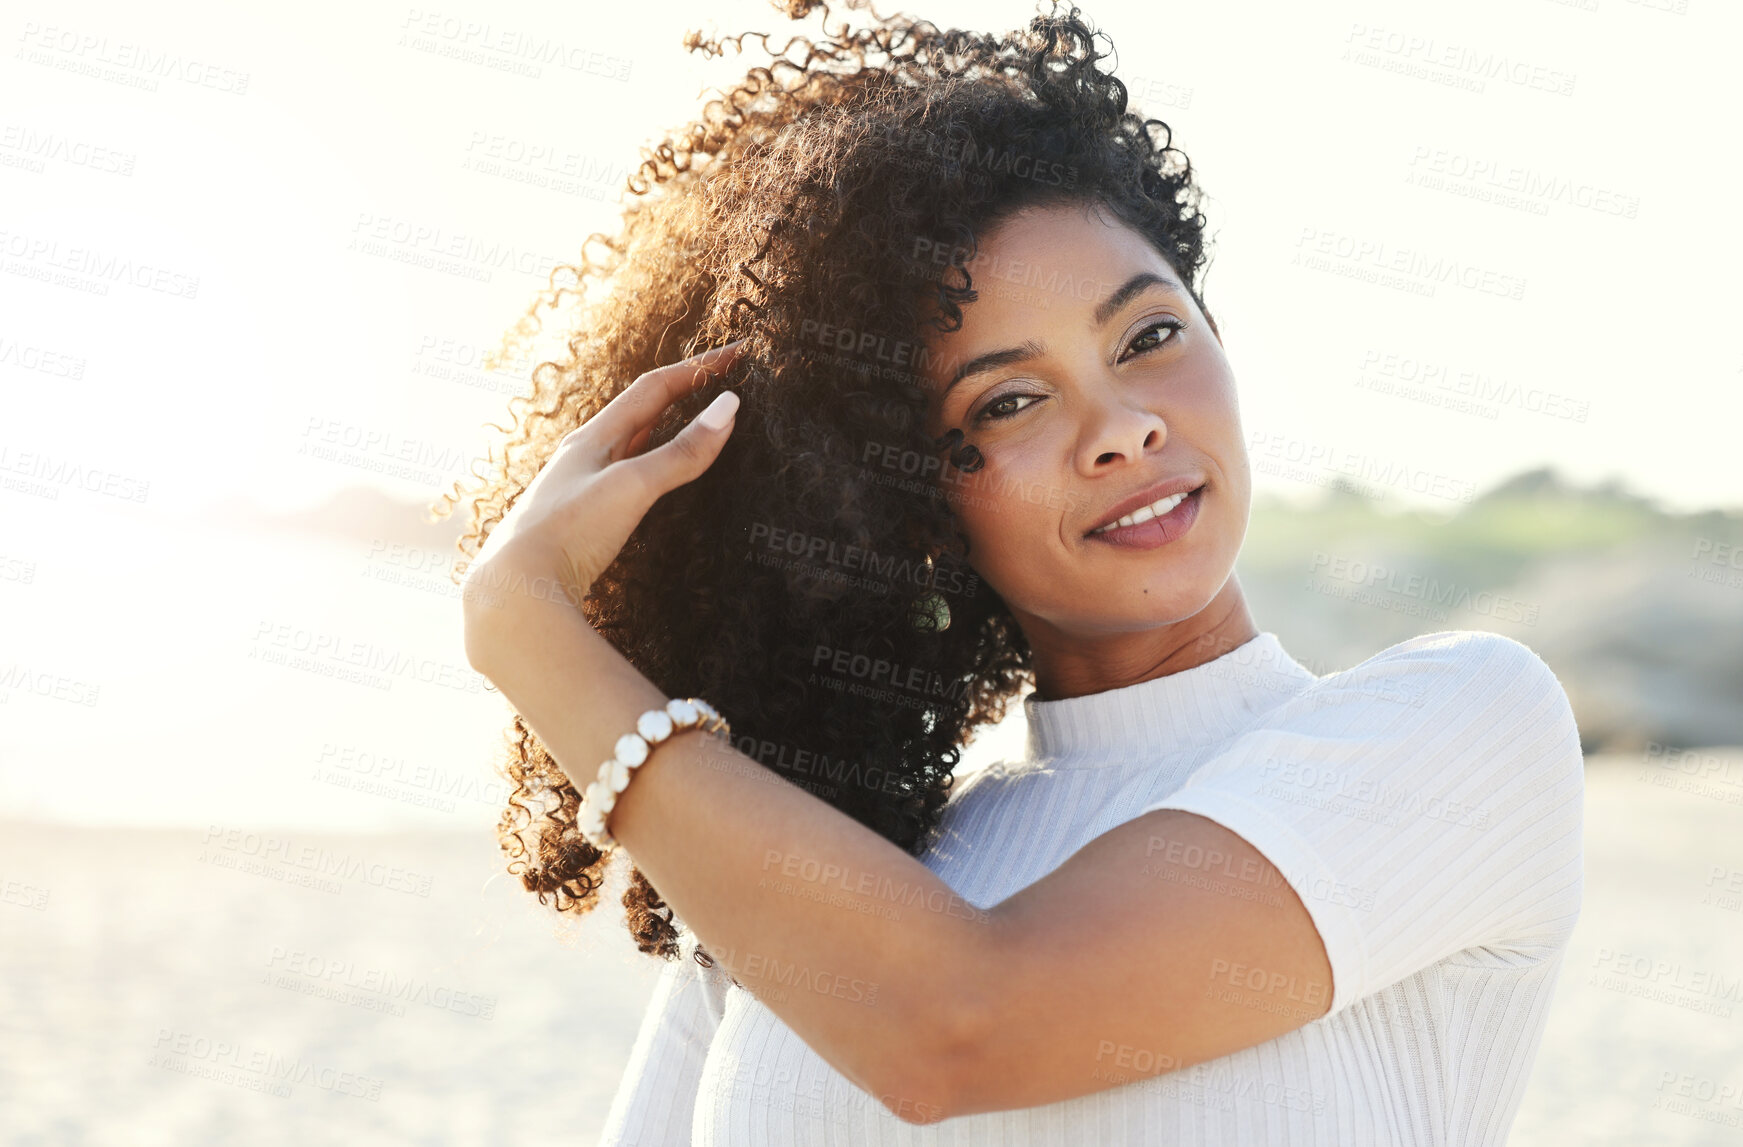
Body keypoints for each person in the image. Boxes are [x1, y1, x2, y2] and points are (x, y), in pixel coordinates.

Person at [441, 2, 1585, 1142]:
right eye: (1009, 401)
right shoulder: (814, 896)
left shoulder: (1456, 727)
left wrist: (524, 630)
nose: (1123, 426)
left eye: (1147, 336)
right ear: (912, 505)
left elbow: (959, 1025)